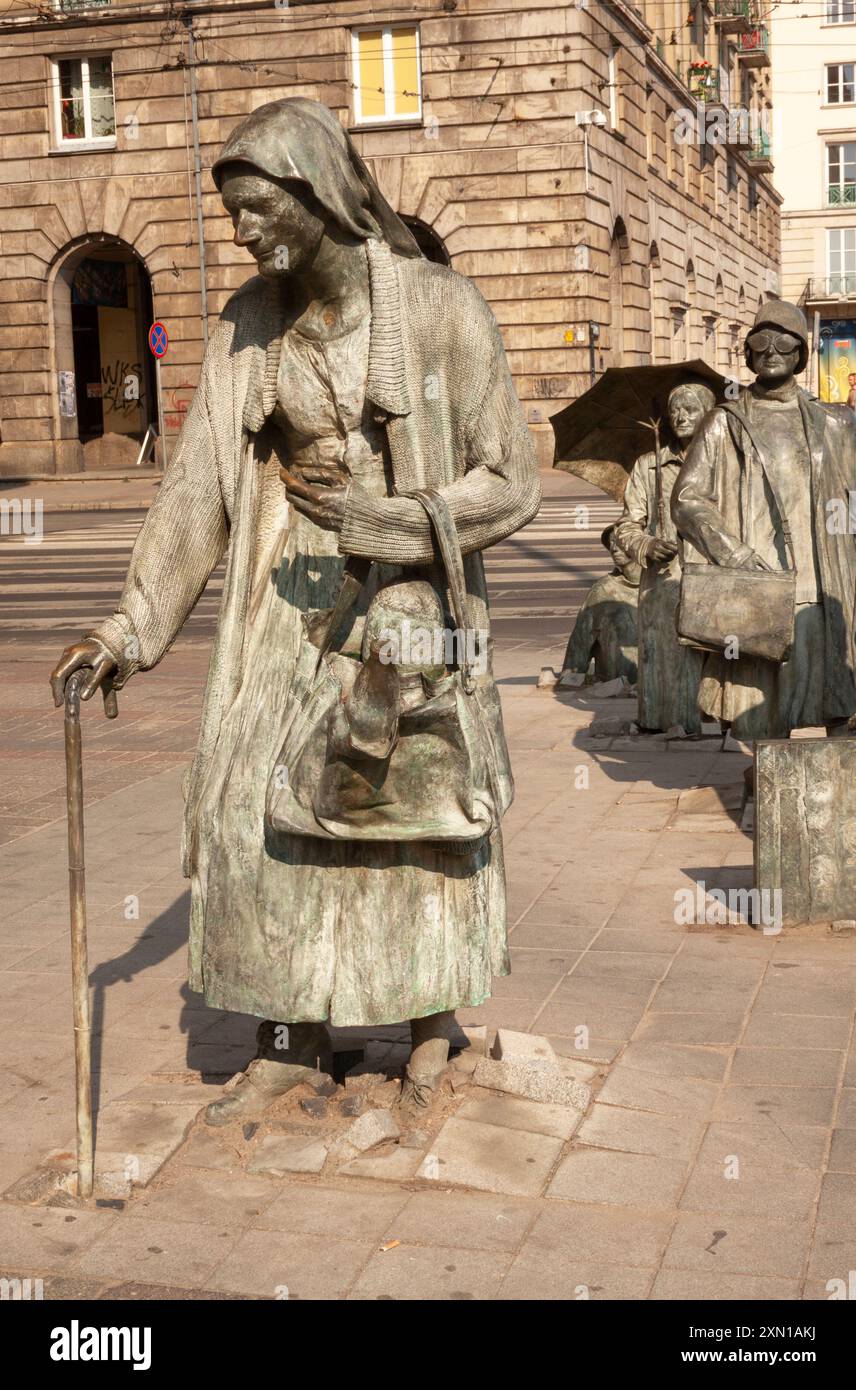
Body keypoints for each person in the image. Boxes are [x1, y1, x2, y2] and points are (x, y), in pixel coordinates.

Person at [49, 98, 541, 1122]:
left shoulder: (441, 306)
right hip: (278, 605)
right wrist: (127, 631)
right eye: (233, 213)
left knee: (404, 798)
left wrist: (401, 523)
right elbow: (194, 490)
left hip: (402, 598)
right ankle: (288, 1035)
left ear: (318, 193)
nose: (244, 231)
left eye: (261, 208)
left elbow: (510, 480)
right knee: (250, 809)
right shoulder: (246, 323)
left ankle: (427, 1022)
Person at [671, 301, 856, 741]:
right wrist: (733, 551)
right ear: (748, 353)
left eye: (785, 341)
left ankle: (831, 788)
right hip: (756, 586)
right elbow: (686, 499)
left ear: (802, 352)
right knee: (759, 715)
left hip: (821, 586)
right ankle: (763, 775)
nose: (772, 349)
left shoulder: (836, 424)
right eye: (761, 341)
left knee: (837, 702)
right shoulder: (725, 423)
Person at [612, 384, 713, 734]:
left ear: (708, 414)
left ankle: (709, 721)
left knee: (711, 658)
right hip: (663, 581)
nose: (681, 416)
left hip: (710, 577)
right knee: (663, 659)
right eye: (675, 410)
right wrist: (647, 545)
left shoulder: (723, 463)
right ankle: (664, 722)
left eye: (690, 409)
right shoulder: (649, 466)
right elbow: (625, 526)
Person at [558, 524, 639, 686]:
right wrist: (571, 676)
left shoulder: (661, 588)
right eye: (611, 544)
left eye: (621, 542)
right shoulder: (603, 590)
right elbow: (581, 639)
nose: (614, 549)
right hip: (619, 682)